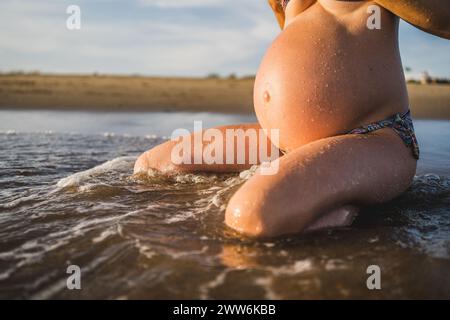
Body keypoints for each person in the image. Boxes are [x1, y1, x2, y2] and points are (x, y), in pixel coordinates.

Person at [134, 0, 450, 237]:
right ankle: (312, 191)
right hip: (286, 141)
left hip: (371, 137)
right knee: (154, 164)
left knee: (251, 216)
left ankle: (338, 205)